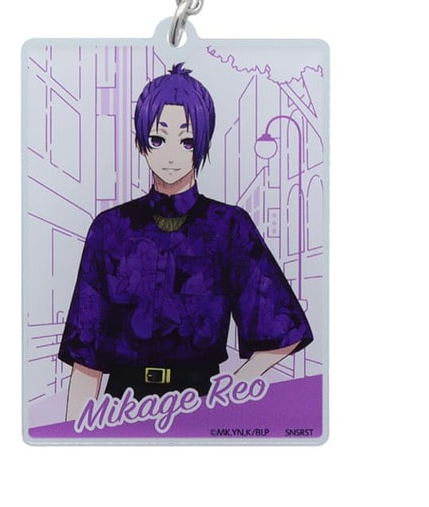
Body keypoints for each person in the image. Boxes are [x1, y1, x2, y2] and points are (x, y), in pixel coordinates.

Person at [58, 63, 313, 421]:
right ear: (141, 141)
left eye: (187, 140)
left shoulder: (228, 226)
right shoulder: (110, 228)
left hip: (199, 402)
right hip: (120, 408)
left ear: (203, 142)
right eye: (158, 139)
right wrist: (74, 435)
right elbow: (86, 358)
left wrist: (232, 390)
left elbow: (285, 327)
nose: (171, 155)